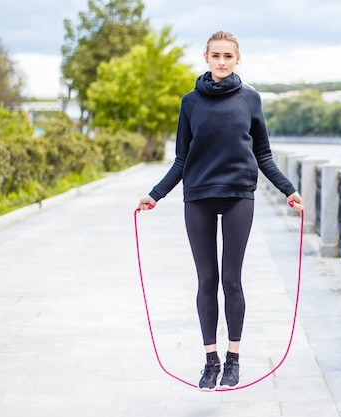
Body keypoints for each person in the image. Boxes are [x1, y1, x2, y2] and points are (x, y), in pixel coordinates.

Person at [137, 30, 303, 391]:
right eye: (216, 56)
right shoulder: (190, 102)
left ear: (237, 59)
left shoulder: (250, 100)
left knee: (232, 280)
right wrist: (155, 194)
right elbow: (182, 158)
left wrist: (289, 190)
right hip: (197, 197)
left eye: (229, 56)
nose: (222, 62)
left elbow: (263, 155)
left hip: (238, 196)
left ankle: (233, 359)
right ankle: (210, 360)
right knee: (206, 281)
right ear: (206, 58)